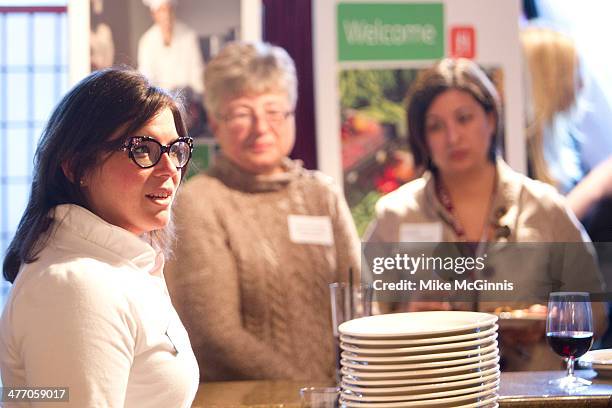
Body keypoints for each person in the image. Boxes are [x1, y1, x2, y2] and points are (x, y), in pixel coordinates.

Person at [364, 58, 607, 370]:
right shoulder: (395, 216)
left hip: (533, 396)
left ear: (490, 119)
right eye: (436, 126)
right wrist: (406, 320)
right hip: (431, 392)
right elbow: (365, 318)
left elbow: (595, 310)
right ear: (423, 138)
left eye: (464, 118)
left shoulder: (545, 208)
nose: (453, 137)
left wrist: (548, 321)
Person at [0, 68, 199, 407]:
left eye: (176, 149)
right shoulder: (76, 285)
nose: (170, 169)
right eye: (143, 149)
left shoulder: (123, 263)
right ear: (77, 167)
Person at [164, 41, 361, 381]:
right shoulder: (200, 203)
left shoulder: (322, 194)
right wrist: (310, 394)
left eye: (274, 111)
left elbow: (357, 302)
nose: (261, 127)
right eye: (242, 113)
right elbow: (215, 336)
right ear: (215, 121)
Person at [138, 0, 204, 95]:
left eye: (169, 10)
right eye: (162, 10)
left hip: (187, 98)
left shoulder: (188, 36)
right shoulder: (147, 41)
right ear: (153, 14)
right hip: (159, 100)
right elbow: (146, 77)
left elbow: (197, 74)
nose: (166, 15)